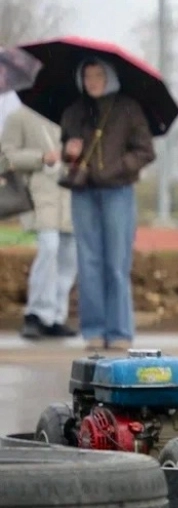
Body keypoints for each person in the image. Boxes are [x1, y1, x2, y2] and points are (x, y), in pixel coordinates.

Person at [59, 57, 156, 352]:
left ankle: (119, 330)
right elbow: (66, 151)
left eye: (98, 75)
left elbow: (145, 150)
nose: (92, 81)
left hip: (118, 192)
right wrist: (69, 152)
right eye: (87, 76)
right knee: (88, 263)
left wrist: (117, 167)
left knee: (116, 263)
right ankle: (93, 330)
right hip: (83, 192)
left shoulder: (128, 108)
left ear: (109, 77)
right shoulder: (74, 110)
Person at [2, 103, 76, 340]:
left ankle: (55, 316)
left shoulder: (72, 116)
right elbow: (6, 156)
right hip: (39, 196)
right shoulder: (20, 117)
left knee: (69, 256)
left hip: (70, 195)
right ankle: (35, 313)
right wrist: (41, 158)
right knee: (49, 247)